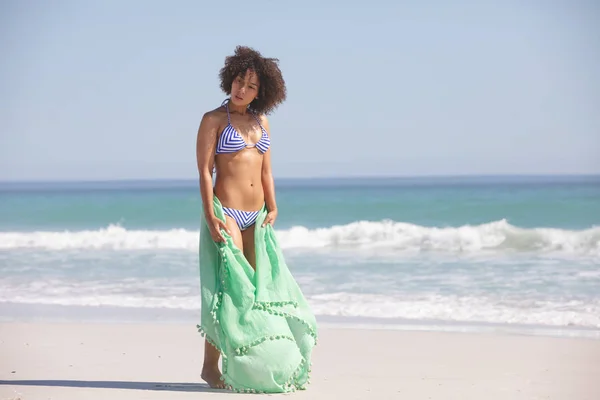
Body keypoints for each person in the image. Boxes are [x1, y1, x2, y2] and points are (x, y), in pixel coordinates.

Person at [195, 46, 317, 393]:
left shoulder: (262, 122)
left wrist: (274, 207)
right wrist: (210, 214)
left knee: (260, 291)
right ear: (229, 78)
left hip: (257, 215)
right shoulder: (214, 120)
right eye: (238, 80)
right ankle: (209, 366)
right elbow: (205, 172)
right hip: (227, 213)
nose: (241, 89)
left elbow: (267, 170)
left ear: (261, 92)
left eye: (250, 86)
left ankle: (248, 361)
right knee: (231, 289)